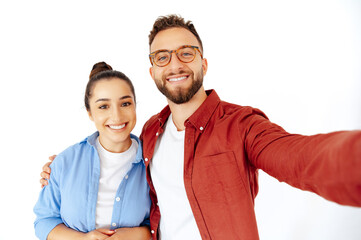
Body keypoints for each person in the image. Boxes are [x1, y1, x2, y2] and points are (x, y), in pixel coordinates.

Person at [40, 15, 361, 240]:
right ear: (152, 72)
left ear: (203, 63)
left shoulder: (240, 125)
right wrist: (63, 171)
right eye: (162, 57)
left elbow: (302, 158)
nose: (176, 63)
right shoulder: (151, 134)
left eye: (186, 53)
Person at [34, 62, 151, 240]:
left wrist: (136, 234)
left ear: (135, 105)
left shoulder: (153, 163)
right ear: (90, 113)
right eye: (103, 106)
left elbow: (165, 222)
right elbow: (44, 221)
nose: (117, 116)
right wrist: (84, 239)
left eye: (125, 103)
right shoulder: (65, 162)